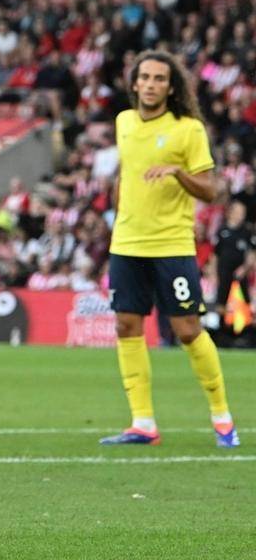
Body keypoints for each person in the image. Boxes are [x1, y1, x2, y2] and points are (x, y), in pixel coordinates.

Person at [100, 50, 238, 448]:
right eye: (144, 77)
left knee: (187, 329)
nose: (150, 84)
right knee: (126, 326)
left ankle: (222, 417)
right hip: (127, 243)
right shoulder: (124, 122)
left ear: (171, 87)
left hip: (171, 244)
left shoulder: (188, 130)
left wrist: (178, 172)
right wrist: (119, 212)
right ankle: (142, 423)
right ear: (134, 83)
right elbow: (128, 175)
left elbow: (210, 190)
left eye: (159, 78)